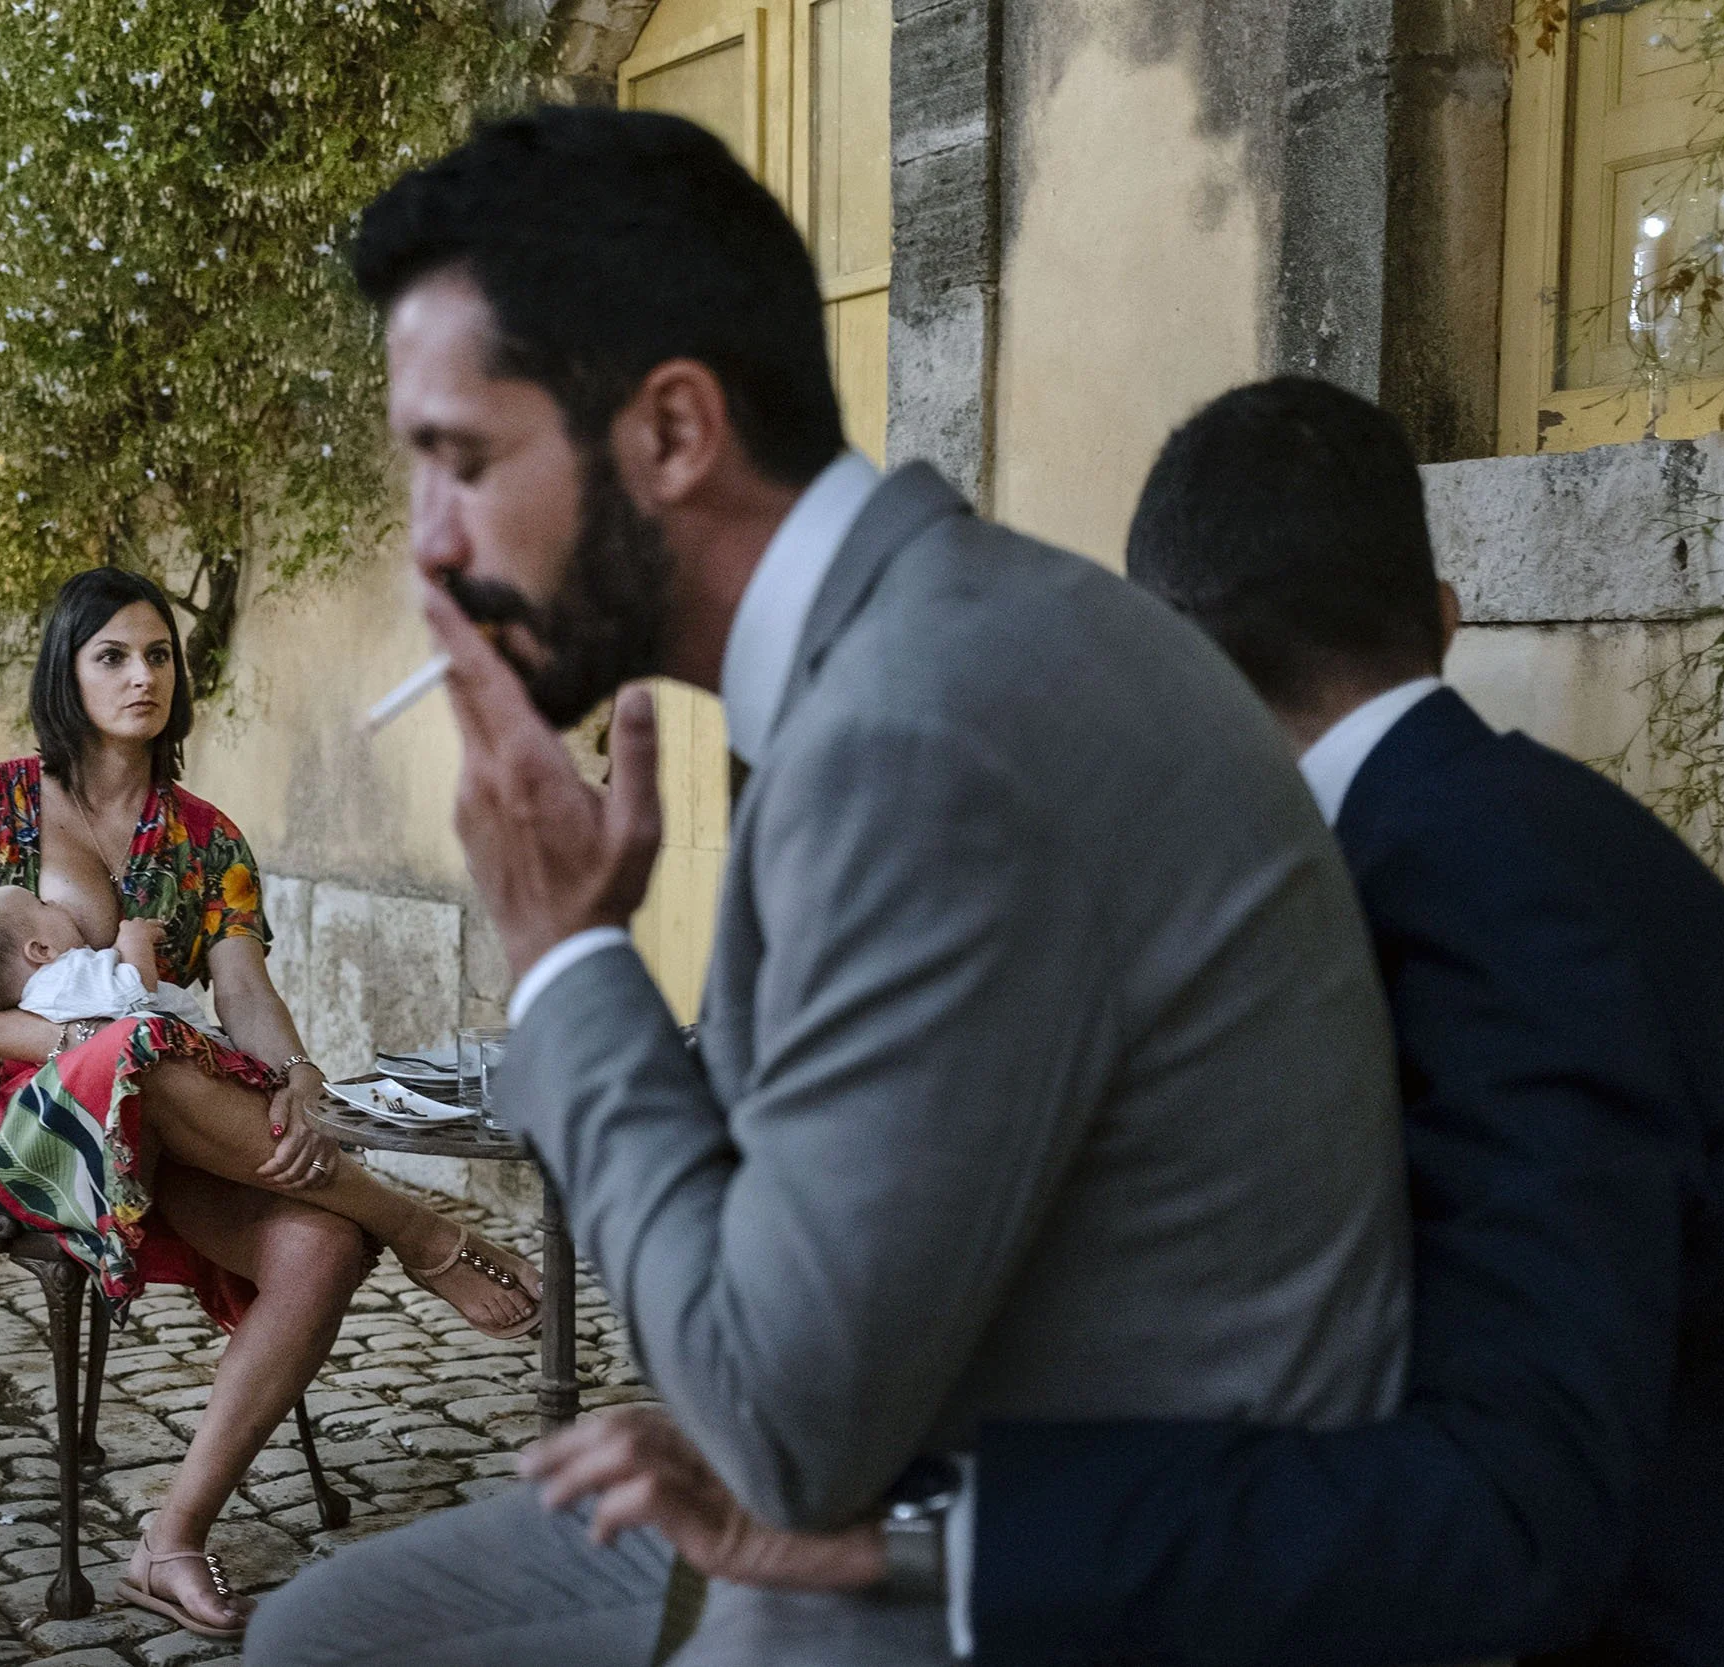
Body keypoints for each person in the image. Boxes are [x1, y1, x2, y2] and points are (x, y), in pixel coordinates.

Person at [247, 105, 1412, 1666]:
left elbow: (784, 1420)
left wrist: (566, 959)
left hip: (1070, 1577)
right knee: (334, 1628)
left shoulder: (927, 728)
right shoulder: (908, 650)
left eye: (460, 461)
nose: (429, 549)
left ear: (671, 430)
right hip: (915, 1475)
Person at [486, 378, 1724, 1667]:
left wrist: (944, 1529)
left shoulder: (1481, 898)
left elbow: (1512, 1520)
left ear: (1165, 656)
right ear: (1441, 622)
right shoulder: (1534, 833)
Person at [0, 565, 545, 1639]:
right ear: (66, 671)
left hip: (163, 1122)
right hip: (14, 1127)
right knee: (145, 1037)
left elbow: (244, 990)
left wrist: (297, 1077)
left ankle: (168, 1540)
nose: (140, 674)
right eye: (111, 654)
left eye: (158, 654)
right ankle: (420, 1226)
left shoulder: (203, 837)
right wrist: (83, 1042)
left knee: (317, 1245)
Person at [0, 883, 215, 1034]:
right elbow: (134, 994)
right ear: (41, 950)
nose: (56, 903)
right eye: (43, 905)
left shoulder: (53, 987)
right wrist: (134, 940)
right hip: (191, 1049)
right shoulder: (60, 979)